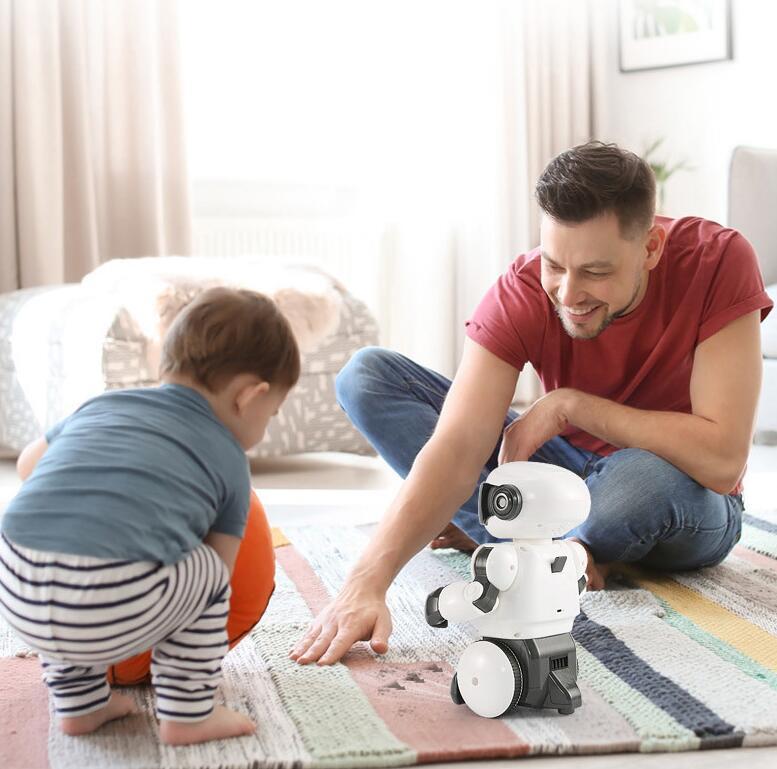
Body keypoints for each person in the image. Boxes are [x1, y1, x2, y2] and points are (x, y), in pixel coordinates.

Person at [289, 140, 774, 667]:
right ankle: (564, 553)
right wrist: (366, 581)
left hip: (683, 495)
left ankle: (532, 544)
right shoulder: (523, 291)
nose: (567, 294)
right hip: (563, 478)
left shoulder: (718, 259)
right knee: (367, 376)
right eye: (554, 264)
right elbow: (455, 446)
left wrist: (571, 406)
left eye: (595, 272)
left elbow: (723, 461)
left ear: (651, 248)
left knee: (640, 477)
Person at [0, 287, 300, 745]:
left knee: (65, 556)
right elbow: (220, 566)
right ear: (249, 396)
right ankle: (187, 713)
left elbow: (27, 466)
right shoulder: (229, 459)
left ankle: (80, 705)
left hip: (16, 593)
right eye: (272, 412)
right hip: (105, 611)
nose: (265, 426)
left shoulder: (102, 405)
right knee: (209, 579)